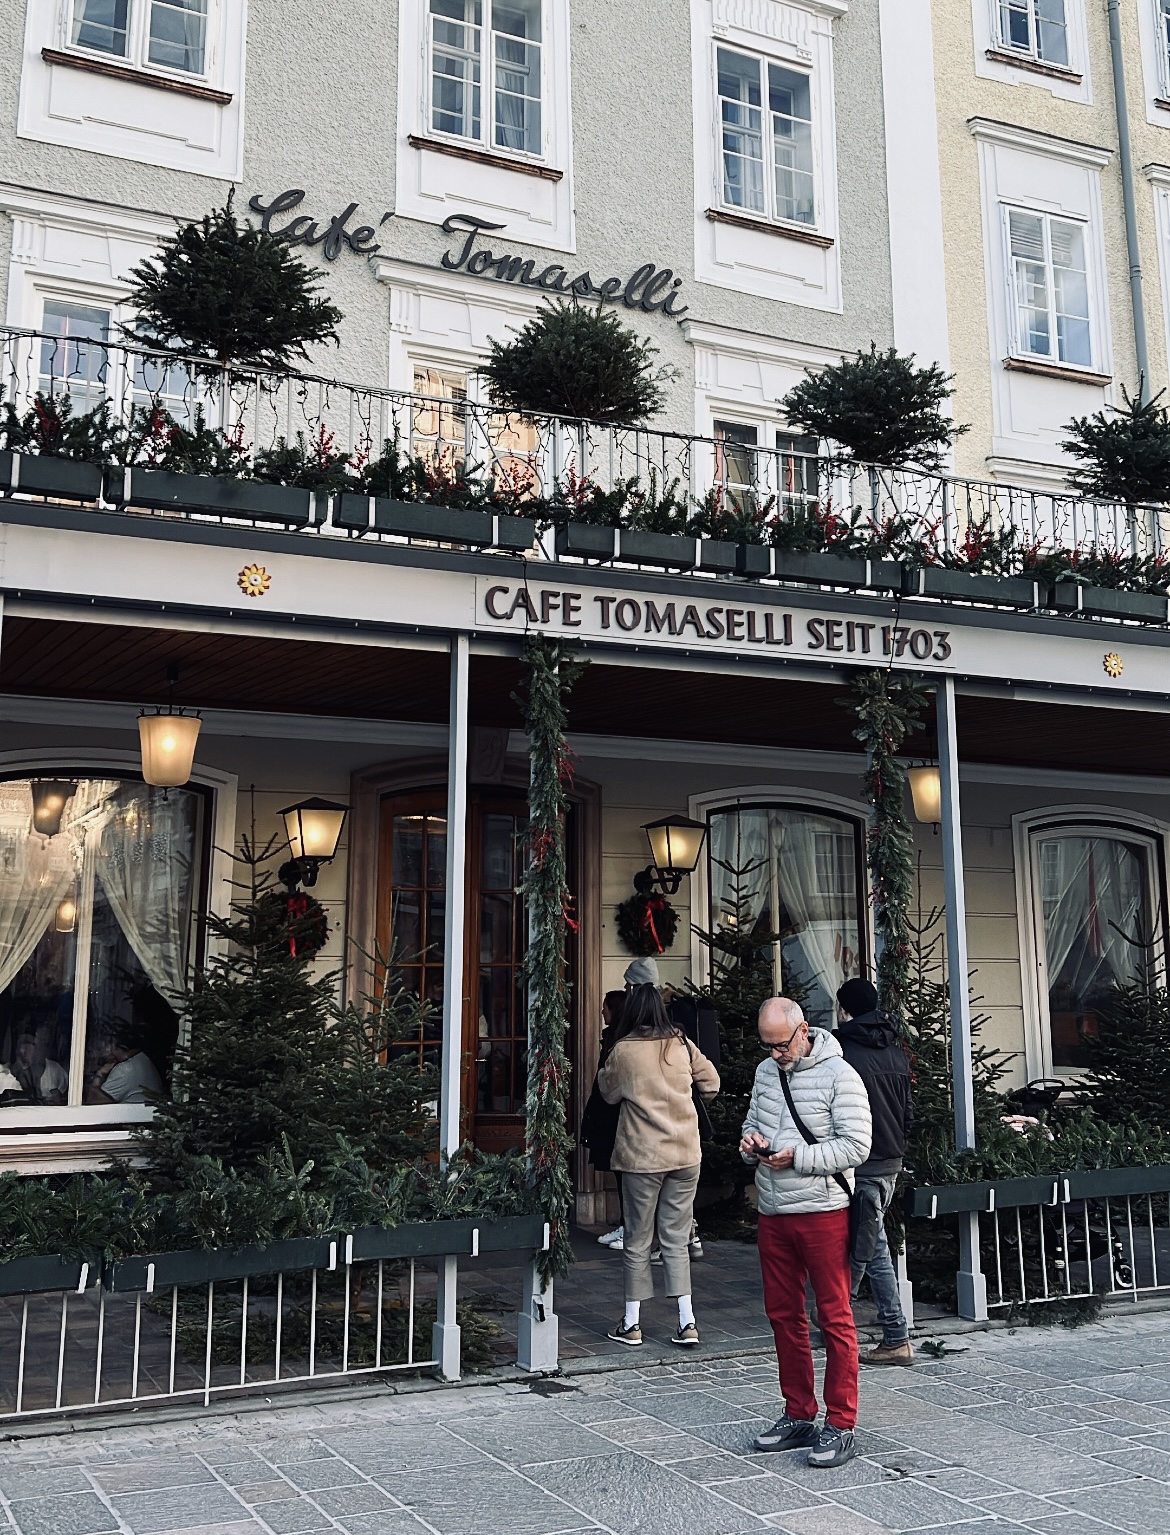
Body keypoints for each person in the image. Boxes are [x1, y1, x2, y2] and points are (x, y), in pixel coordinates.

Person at [741, 996, 871, 1469]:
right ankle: (798, 1412)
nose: (775, 1054)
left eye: (781, 1045)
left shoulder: (841, 1075)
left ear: (802, 1030)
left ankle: (841, 1422)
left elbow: (857, 1146)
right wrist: (750, 1144)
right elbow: (752, 1124)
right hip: (774, 1210)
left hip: (822, 1210)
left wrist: (797, 1158)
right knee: (782, 1314)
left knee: (834, 1316)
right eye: (767, 1046)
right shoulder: (764, 1072)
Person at [598, 981, 719, 1347]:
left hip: (642, 1156)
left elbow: (608, 1092)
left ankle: (632, 1323)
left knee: (637, 1239)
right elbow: (711, 1083)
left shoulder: (624, 1050)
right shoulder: (681, 1044)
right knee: (676, 1238)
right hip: (684, 1153)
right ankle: (687, 1322)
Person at [835, 977, 915, 1366]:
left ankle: (890, 1332)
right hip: (891, 1158)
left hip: (858, 1160)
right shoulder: (896, 1050)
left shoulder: (843, 1051)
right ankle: (886, 1330)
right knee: (873, 1236)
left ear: (845, 1009)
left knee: (870, 1244)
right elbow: (908, 1112)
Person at [623, 955, 709, 1259]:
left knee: (639, 1232)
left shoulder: (628, 1040)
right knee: (676, 1205)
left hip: (645, 1145)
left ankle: (636, 1302)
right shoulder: (679, 1032)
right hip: (685, 1141)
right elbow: (711, 1083)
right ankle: (688, 1239)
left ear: (633, 989)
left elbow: (609, 1092)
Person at [581, 990, 627, 1249]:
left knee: (625, 1175)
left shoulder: (620, 1041)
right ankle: (626, 1225)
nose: (601, 1013)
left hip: (617, 1113)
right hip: (609, 1112)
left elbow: (610, 1080)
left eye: (605, 1008)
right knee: (619, 1173)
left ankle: (630, 1228)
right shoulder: (611, 1037)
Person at [85, 1029, 163, 1105]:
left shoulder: (125, 1069)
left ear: (121, 1048)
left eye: (110, 1046)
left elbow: (93, 1101)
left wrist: (99, 1075)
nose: (108, 1050)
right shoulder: (142, 1058)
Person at [14, 1030, 68, 1106]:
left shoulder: (54, 1070)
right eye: (20, 1044)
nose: (22, 1050)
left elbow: (65, 1098)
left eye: (27, 1044)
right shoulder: (9, 1073)